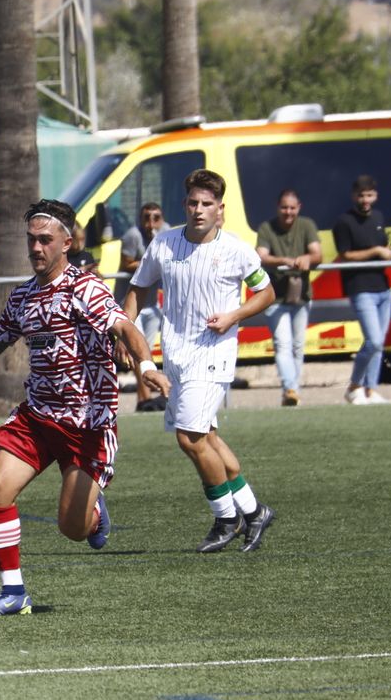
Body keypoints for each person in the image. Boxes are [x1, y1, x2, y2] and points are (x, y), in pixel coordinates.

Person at [0, 199, 169, 614]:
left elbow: (124, 326)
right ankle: (13, 593)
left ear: (67, 242)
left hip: (88, 423)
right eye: (31, 239)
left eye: (45, 240)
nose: (36, 248)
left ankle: (93, 510)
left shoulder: (84, 288)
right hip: (39, 416)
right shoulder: (23, 297)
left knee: (71, 528)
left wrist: (146, 365)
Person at [125, 169, 277, 554]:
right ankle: (254, 510)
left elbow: (267, 292)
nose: (199, 209)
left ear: (220, 209)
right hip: (175, 355)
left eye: (207, 204)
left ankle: (226, 518)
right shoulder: (163, 244)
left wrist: (233, 317)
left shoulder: (237, 249)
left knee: (189, 438)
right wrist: (124, 330)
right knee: (206, 437)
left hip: (213, 353)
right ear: (185, 204)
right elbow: (138, 288)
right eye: (193, 202)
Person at [334, 175, 391, 405]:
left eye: (370, 195)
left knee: (378, 343)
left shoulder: (379, 217)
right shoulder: (344, 222)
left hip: (383, 288)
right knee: (373, 341)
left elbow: (384, 247)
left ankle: (371, 391)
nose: (365, 200)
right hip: (360, 288)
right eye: (361, 195)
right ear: (354, 196)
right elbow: (346, 255)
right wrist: (376, 251)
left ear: (376, 196)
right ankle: (354, 387)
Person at [255, 189, 322, 406]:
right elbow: (260, 255)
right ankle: (290, 388)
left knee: (298, 346)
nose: (288, 212)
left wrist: (306, 258)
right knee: (283, 344)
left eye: (292, 208)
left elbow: (318, 254)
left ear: (299, 207)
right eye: (284, 207)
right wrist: (284, 260)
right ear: (278, 208)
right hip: (274, 298)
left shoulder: (307, 225)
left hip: (301, 295)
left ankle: (292, 391)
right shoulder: (267, 228)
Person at [120, 202, 169, 412]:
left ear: (161, 218)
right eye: (146, 218)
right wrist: (150, 263)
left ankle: (144, 399)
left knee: (145, 352)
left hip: (153, 303)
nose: (151, 223)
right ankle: (145, 398)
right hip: (132, 301)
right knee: (138, 352)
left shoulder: (166, 232)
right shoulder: (133, 235)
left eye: (155, 217)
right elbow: (126, 263)